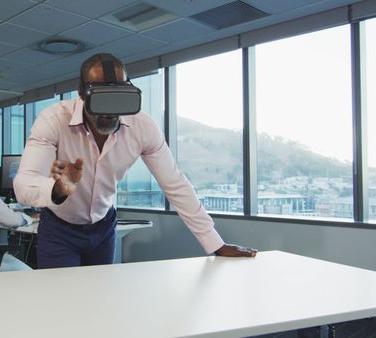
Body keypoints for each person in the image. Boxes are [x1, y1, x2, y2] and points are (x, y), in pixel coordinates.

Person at [14, 53, 257, 269]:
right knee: (59, 305)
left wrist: (215, 243)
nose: (109, 111)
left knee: (99, 302)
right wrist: (57, 189)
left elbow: (174, 184)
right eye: (101, 98)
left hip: (103, 227)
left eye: (117, 98)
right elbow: (24, 183)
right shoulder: (54, 119)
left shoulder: (142, 127)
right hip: (60, 229)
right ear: (82, 93)